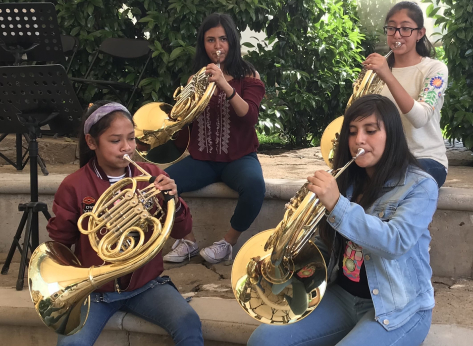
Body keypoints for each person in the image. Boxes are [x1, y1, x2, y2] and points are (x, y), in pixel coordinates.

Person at [247, 94, 438, 346]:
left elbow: (395, 242)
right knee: (262, 341)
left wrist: (337, 205)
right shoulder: (346, 180)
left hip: (399, 308)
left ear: (391, 135)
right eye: (352, 131)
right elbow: (328, 246)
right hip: (343, 296)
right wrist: (292, 247)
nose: (359, 139)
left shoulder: (420, 186)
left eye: (370, 131)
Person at [47, 101, 203, 346]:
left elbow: (182, 231)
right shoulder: (74, 185)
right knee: (71, 344)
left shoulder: (151, 176)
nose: (126, 148)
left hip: (146, 285)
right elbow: (60, 242)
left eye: (131, 138)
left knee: (188, 322)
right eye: (115, 140)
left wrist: (174, 200)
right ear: (91, 142)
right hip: (95, 291)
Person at [163, 13, 266, 264]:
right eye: (210, 40)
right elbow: (185, 123)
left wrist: (225, 84)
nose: (217, 46)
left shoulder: (249, 77)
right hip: (202, 159)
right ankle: (187, 240)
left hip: (239, 158)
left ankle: (227, 243)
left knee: (255, 187)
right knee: (161, 185)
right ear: (203, 44)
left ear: (232, 42)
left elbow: (250, 116)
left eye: (223, 39)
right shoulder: (195, 78)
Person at [363, 1, 448, 187]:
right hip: (384, 159)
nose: (397, 35)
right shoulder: (376, 72)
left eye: (406, 29)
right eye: (391, 28)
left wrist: (388, 76)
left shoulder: (435, 69)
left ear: (420, 33)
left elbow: (420, 118)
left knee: (388, 182)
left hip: (426, 159)